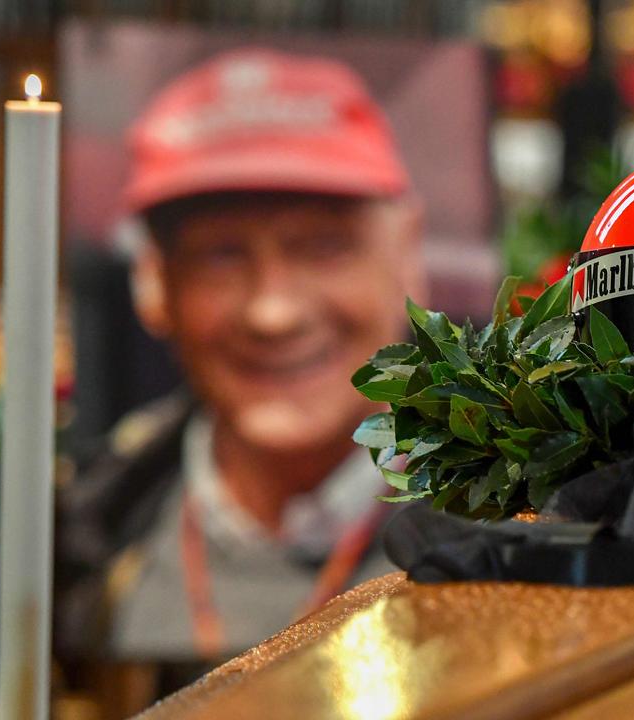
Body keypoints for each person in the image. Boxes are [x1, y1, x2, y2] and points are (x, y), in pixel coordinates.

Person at [55, 49, 423, 681]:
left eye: (324, 246)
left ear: (407, 254)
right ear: (152, 281)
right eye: (220, 255)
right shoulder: (82, 539)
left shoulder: (520, 535)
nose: (272, 312)